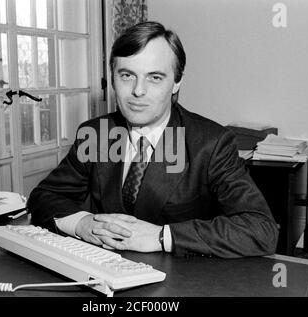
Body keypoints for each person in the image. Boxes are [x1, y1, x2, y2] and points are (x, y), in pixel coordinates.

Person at [27, 21, 278, 258]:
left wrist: (162, 236)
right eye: (127, 75)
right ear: (113, 78)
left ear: (177, 82)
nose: (138, 91)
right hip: (103, 275)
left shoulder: (210, 143)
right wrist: (81, 223)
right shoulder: (96, 133)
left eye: (155, 77)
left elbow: (261, 229)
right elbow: (43, 197)